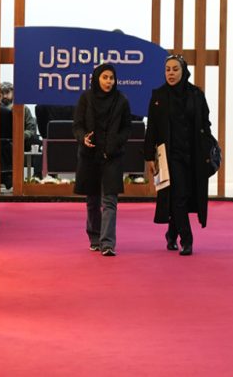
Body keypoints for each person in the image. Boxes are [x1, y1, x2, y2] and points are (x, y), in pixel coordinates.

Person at [144, 55, 213, 256]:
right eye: (167, 70)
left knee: (183, 195)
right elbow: (152, 129)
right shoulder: (158, 96)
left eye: (175, 69)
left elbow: (205, 124)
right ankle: (187, 239)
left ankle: (171, 234)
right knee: (179, 195)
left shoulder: (196, 94)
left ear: (183, 71)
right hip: (169, 156)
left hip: (194, 155)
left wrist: (207, 149)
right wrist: (149, 157)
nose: (171, 73)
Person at [72, 64, 132, 257]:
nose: (108, 81)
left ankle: (107, 243)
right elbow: (77, 125)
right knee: (92, 200)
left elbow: (127, 128)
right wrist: (83, 138)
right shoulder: (86, 98)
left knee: (110, 201)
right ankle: (95, 237)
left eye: (111, 78)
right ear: (97, 78)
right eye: (105, 77)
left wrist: (117, 141)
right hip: (89, 156)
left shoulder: (121, 100)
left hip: (112, 156)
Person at [0, 82, 40, 147]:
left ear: (13, 93)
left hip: (20, 141)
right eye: (2, 93)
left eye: (7, 93)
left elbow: (31, 130)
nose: (4, 96)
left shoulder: (23, 109)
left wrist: (20, 135)